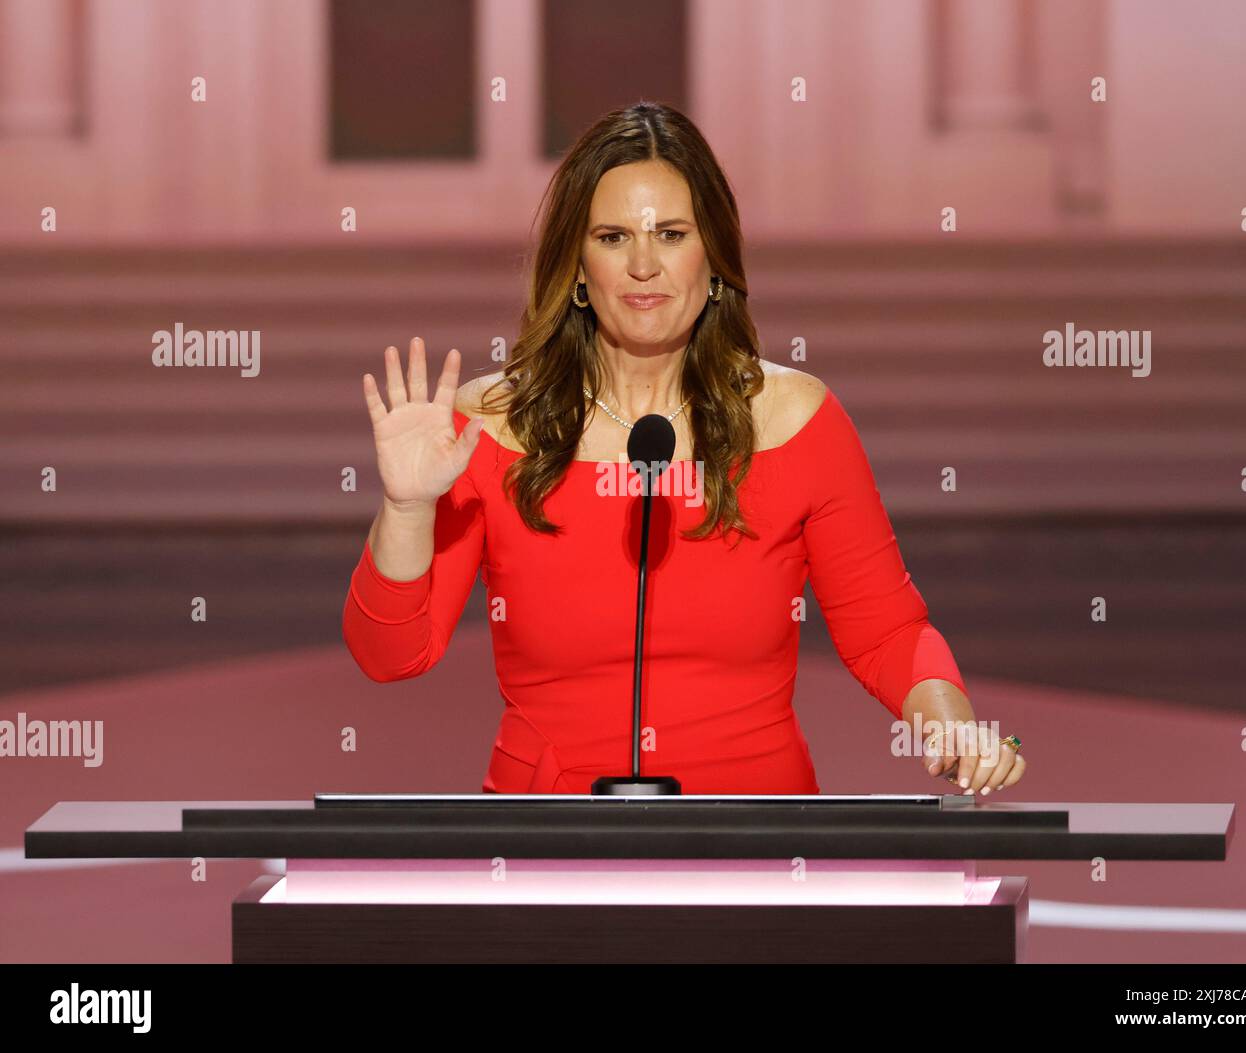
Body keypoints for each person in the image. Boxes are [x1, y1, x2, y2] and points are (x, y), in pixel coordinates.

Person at [342, 101, 1026, 797]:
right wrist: (405, 507)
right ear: (577, 268)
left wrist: (953, 724)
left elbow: (887, 633)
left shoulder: (795, 419)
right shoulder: (493, 423)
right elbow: (391, 654)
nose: (643, 264)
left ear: (715, 257)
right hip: (542, 848)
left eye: (670, 233)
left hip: (755, 846)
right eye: (612, 237)